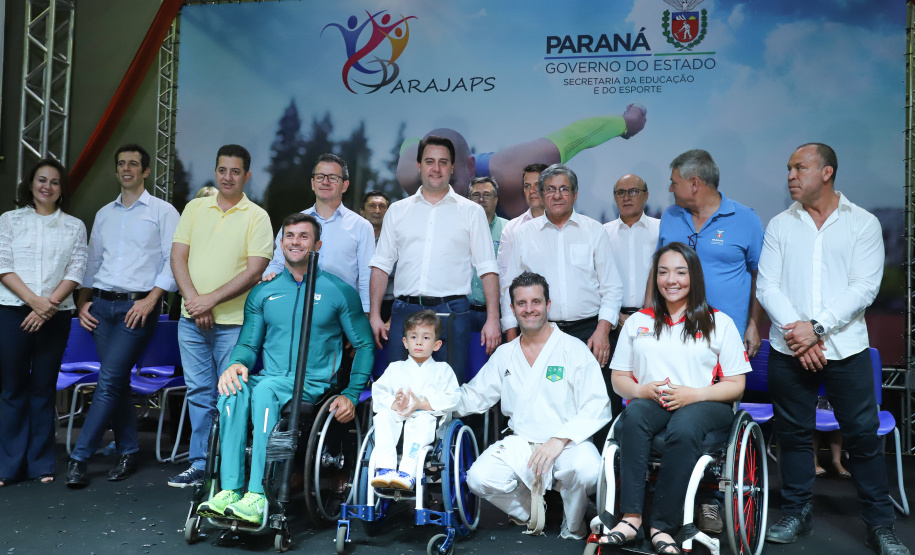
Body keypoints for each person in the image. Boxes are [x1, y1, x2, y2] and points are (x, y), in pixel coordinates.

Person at [757, 143, 909, 555]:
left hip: (847, 350)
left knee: (861, 438)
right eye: (788, 168)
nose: (790, 175)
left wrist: (817, 328)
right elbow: (767, 285)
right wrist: (798, 334)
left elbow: (864, 287)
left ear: (826, 172)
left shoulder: (861, 222)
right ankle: (797, 512)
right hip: (790, 350)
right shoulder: (779, 225)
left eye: (799, 167)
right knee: (793, 436)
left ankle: (880, 525)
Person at [196, 213, 373, 524]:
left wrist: (351, 392)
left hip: (314, 382)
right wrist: (236, 364)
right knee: (232, 391)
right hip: (273, 379)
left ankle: (258, 494)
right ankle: (228, 490)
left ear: (317, 244)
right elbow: (248, 345)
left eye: (304, 236)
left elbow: (364, 345)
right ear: (280, 243)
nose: (296, 241)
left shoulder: (338, 291)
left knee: (263, 390)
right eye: (290, 235)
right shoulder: (264, 291)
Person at [603, 242, 749, 554]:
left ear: (694, 277)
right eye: (663, 272)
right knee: (634, 415)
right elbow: (618, 379)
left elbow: (736, 384)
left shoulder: (718, 322)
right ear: (655, 278)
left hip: (708, 403)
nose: (672, 279)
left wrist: (694, 395)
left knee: (684, 426)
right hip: (654, 401)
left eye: (680, 272)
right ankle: (631, 517)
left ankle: (663, 526)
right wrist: (641, 390)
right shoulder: (639, 322)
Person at [457, 271, 611, 540]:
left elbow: (597, 404)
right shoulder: (506, 353)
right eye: (521, 304)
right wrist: (429, 400)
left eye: (536, 302)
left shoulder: (573, 349)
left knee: (588, 470)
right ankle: (531, 510)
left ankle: (574, 523)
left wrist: (558, 439)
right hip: (522, 442)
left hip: (567, 442)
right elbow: (474, 396)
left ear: (548, 305)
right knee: (479, 478)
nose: (529, 310)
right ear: (513, 309)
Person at [66, 144, 180, 487]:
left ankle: (79, 457)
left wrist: (152, 300)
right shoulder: (104, 214)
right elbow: (92, 264)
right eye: (121, 164)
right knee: (114, 382)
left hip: (137, 308)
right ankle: (129, 450)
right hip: (101, 307)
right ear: (116, 171)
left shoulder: (163, 212)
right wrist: (82, 303)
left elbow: (172, 263)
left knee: (109, 379)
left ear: (146, 171)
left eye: (133, 164)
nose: (126, 169)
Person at [168, 144, 274, 488]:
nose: (228, 177)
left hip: (235, 325)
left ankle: (227, 468)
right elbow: (177, 259)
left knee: (230, 396)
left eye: (236, 171)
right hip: (191, 321)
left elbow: (255, 270)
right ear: (216, 172)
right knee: (199, 392)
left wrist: (207, 301)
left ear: (247, 175)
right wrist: (194, 302)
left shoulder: (257, 216)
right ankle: (200, 463)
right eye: (223, 170)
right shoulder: (195, 208)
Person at [370, 135, 501, 383]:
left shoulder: (471, 212)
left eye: (443, 162)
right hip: (404, 312)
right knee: (400, 391)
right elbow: (381, 265)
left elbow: (487, 268)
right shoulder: (398, 211)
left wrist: (493, 319)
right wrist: (375, 315)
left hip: (451, 311)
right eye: (430, 161)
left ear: (452, 168)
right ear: (419, 166)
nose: (436, 168)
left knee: (447, 392)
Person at [0, 159, 87, 486]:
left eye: (54, 181)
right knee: (12, 389)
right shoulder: (9, 221)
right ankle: (8, 467)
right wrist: (35, 303)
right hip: (11, 312)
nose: (47, 186)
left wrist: (47, 307)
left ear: (62, 188)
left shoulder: (74, 226)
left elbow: (76, 271)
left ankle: (40, 465)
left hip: (56, 315)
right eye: (41, 180)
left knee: (42, 390)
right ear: (30, 183)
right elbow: (3, 265)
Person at [395, 104, 648, 216]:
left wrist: (626, 123)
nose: (445, 187)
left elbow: (573, 137)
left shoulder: (513, 173)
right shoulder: (413, 176)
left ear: (469, 168)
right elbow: (410, 141)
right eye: (432, 167)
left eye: (454, 179)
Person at [501, 164, 623, 389]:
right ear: (541, 194)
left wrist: (603, 331)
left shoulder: (594, 231)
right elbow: (510, 288)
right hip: (539, 333)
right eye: (550, 189)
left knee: (595, 403)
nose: (557, 195)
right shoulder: (524, 234)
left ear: (575, 194)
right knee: (545, 404)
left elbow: (612, 288)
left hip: (590, 333)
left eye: (564, 189)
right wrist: (511, 339)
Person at [657, 149, 765, 359]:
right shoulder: (670, 216)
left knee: (725, 391)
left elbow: (760, 275)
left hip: (725, 338)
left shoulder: (746, 219)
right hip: (673, 336)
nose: (670, 189)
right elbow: (657, 271)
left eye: (674, 182)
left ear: (694, 183)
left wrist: (754, 324)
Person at [264, 153, 374, 313]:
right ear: (312, 183)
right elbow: (278, 263)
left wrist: (365, 314)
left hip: (342, 312)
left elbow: (366, 277)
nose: (325, 182)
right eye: (320, 176)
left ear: (345, 185)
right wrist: (268, 277)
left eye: (333, 178)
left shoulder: (361, 226)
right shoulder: (294, 223)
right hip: (295, 308)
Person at [371, 310, 459, 490]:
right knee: (382, 417)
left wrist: (421, 405)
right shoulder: (395, 368)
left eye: (426, 338)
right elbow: (379, 392)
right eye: (413, 337)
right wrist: (396, 403)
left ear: (437, 345)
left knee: (421, 421)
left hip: (426, 418)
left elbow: (453, 398)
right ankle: (385, 468)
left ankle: (407, 473)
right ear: (405, 342)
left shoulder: (443, 370)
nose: (418, 342)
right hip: (399, 415)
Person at [497, 163, 547, 301]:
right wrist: (509, 319)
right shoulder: (512, 228)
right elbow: (504, 277)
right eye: (527, 186)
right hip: (525, 309)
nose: (532, 190)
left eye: (537, 185)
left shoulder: (563, 225)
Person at [467, 177, 508, 331]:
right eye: (476, 195)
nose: (482, 199)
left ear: (496, 200)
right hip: (463, 312)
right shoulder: (459, 231)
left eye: (487, 195)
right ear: (468, 199)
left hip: (499, 313)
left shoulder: (509, 230)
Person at [360, 190, 395, 322]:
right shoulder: (354, 240)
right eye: (372, 205)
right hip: (356, 304)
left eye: (382, 206)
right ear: (362, 212)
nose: (377, 210)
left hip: (389, 304)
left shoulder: (396, 242)